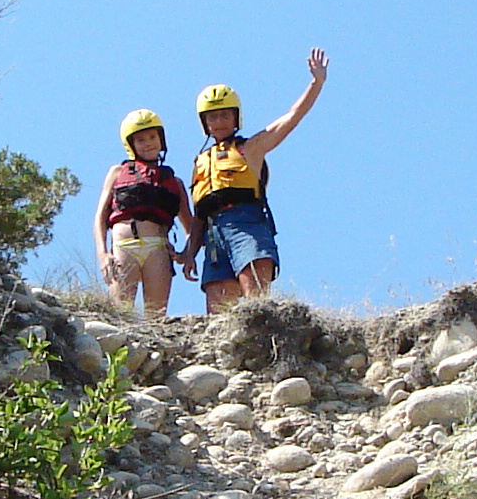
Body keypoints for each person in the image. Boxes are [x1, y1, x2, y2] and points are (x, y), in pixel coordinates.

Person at [186, 49, 328, 313]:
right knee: (217, 309)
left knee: (256, 303)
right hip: (213, 234)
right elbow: (198, 215)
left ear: (235, 117)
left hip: (246, 223)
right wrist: (189, 253)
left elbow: (291, 117)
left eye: (224, 115)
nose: (219, 121)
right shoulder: (200, 162)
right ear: (204, 123)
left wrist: (316, 83)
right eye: (212, 117)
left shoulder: (250, 148)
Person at [94, 108, 196, 316]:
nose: (148, 143)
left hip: (157, 249)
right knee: (121, 313)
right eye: (140, 140)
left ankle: (153, 350)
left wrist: (187, 255)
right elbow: (100, 218)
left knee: (156, 316)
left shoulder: (174, 183)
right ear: (131, 145)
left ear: (161, 138)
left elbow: (192, 229)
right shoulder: (117, 172)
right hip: (123, 246)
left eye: (152, 137)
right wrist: (103, 253)